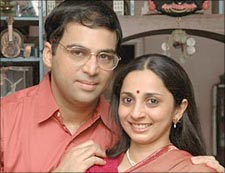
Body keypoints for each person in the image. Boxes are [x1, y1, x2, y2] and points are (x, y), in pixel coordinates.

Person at [0, 1, 223, 172]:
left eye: (105, 56)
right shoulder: (5, 119)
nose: (92, 68)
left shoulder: (127, 126)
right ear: (49, 54)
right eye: (78, 53)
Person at [87, 53, 224, 172]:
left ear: (179, 109)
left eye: (152, 101)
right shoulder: (96, 167)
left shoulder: (192, 170)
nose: (136, 113)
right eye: (128, 100)